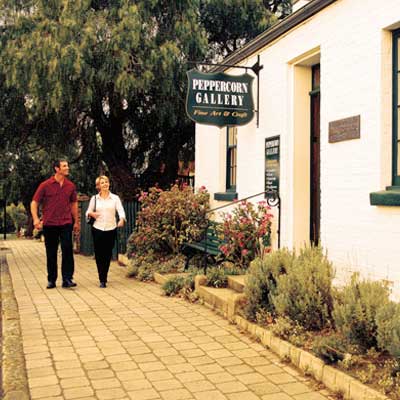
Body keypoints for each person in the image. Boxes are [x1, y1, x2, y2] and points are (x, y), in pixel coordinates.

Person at [31, 159, 79, 289]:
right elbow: (34, 202)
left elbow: (74, 204)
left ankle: (67, 279)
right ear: (57, 169)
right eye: (64, 166)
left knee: (67, 249)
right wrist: (35, 219)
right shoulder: (45, 185)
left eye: (67, 166)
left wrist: (76, 221)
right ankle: (51, 280)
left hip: (66, 222)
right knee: (51, 252)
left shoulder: (70, 186)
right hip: (50, 223)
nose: (67, 168)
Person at [85, 175, 126, 288]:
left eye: (106, 182)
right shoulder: (94, 199)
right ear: (98, 186)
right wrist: (92, 214)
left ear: (109, 183)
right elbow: (88, 212)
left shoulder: (115, 198)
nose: (105, 184)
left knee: (107, 254)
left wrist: (122, 219)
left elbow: (120, 210)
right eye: (102, 183)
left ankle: (105, 274)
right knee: (99, 254)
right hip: (97, 228)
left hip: (111, 228)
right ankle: (102, 279)